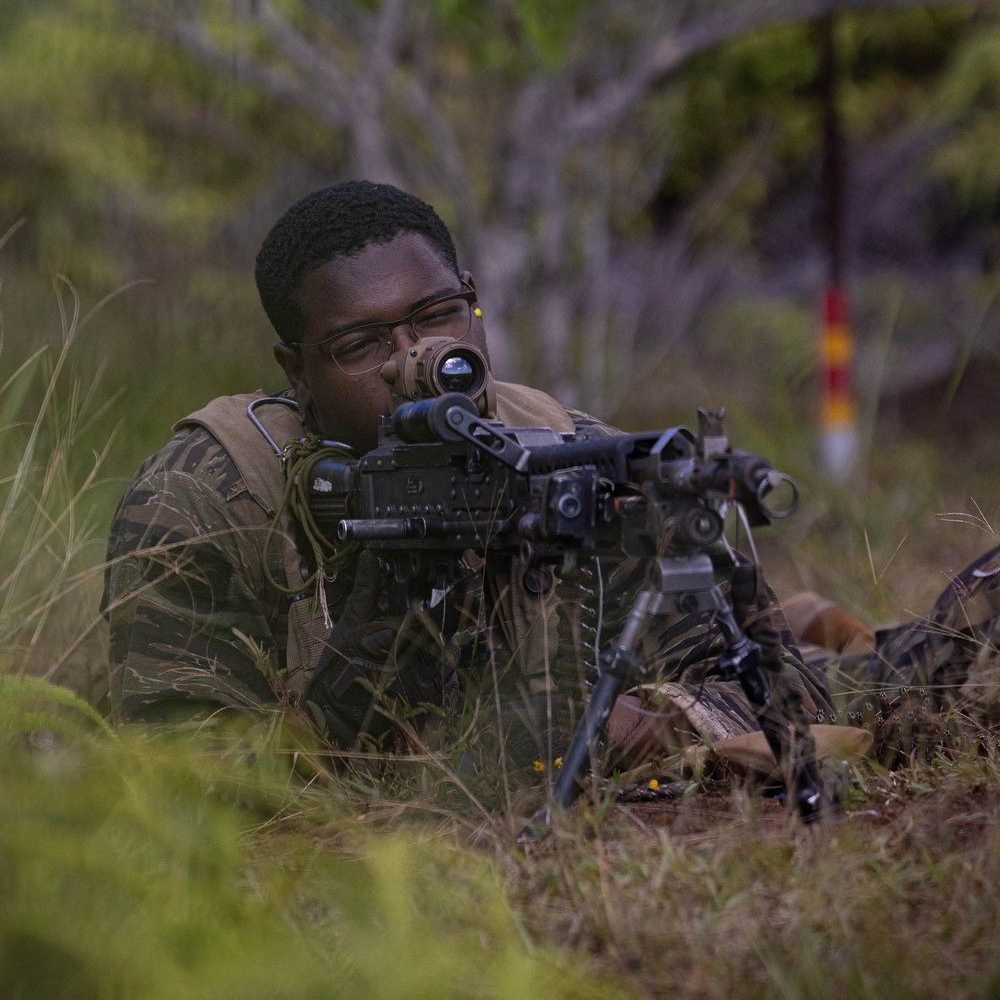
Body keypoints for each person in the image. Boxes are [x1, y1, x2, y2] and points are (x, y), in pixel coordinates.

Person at [100, 181, 1000, 782]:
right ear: (295, 370)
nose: (417, 361)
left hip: (602, 720)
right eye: (361, 344)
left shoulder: (554, 443)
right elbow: (188, 779)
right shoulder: (212, 494)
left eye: (438, 316)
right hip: (370, 818)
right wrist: (380, 631)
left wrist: (654, 723)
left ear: (473, 300)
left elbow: (726, 669)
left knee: (924, 676)